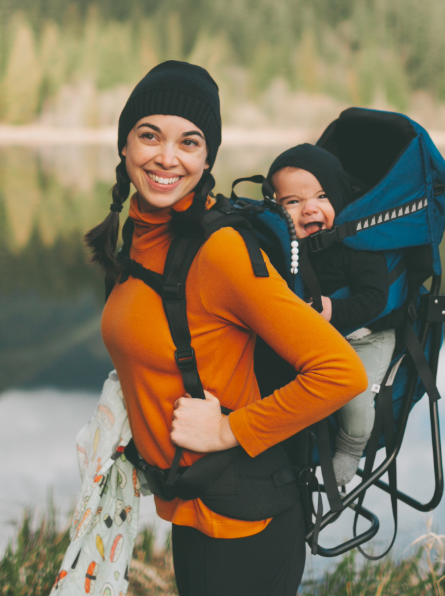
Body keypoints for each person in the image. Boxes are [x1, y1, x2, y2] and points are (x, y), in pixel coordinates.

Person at [92, 61, 367, 596]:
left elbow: (340, 372)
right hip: (193, 504)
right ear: (124, 145)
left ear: (207, 158)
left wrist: (226, 430)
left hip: (248, 516)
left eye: (189, 142)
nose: (167, 157)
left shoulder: (220, 251)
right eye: (150, 135)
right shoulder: (142, 237)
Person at [268, 144, 399, 488]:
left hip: (366, 337)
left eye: (322, 196)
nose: (309, 208)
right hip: (315, 341)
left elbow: (374, 300)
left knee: (353, 395)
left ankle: (351, 445)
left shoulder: (356, 245)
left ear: (339, 200)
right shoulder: (284, 249)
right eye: (292, 202)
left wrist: (333, 309)